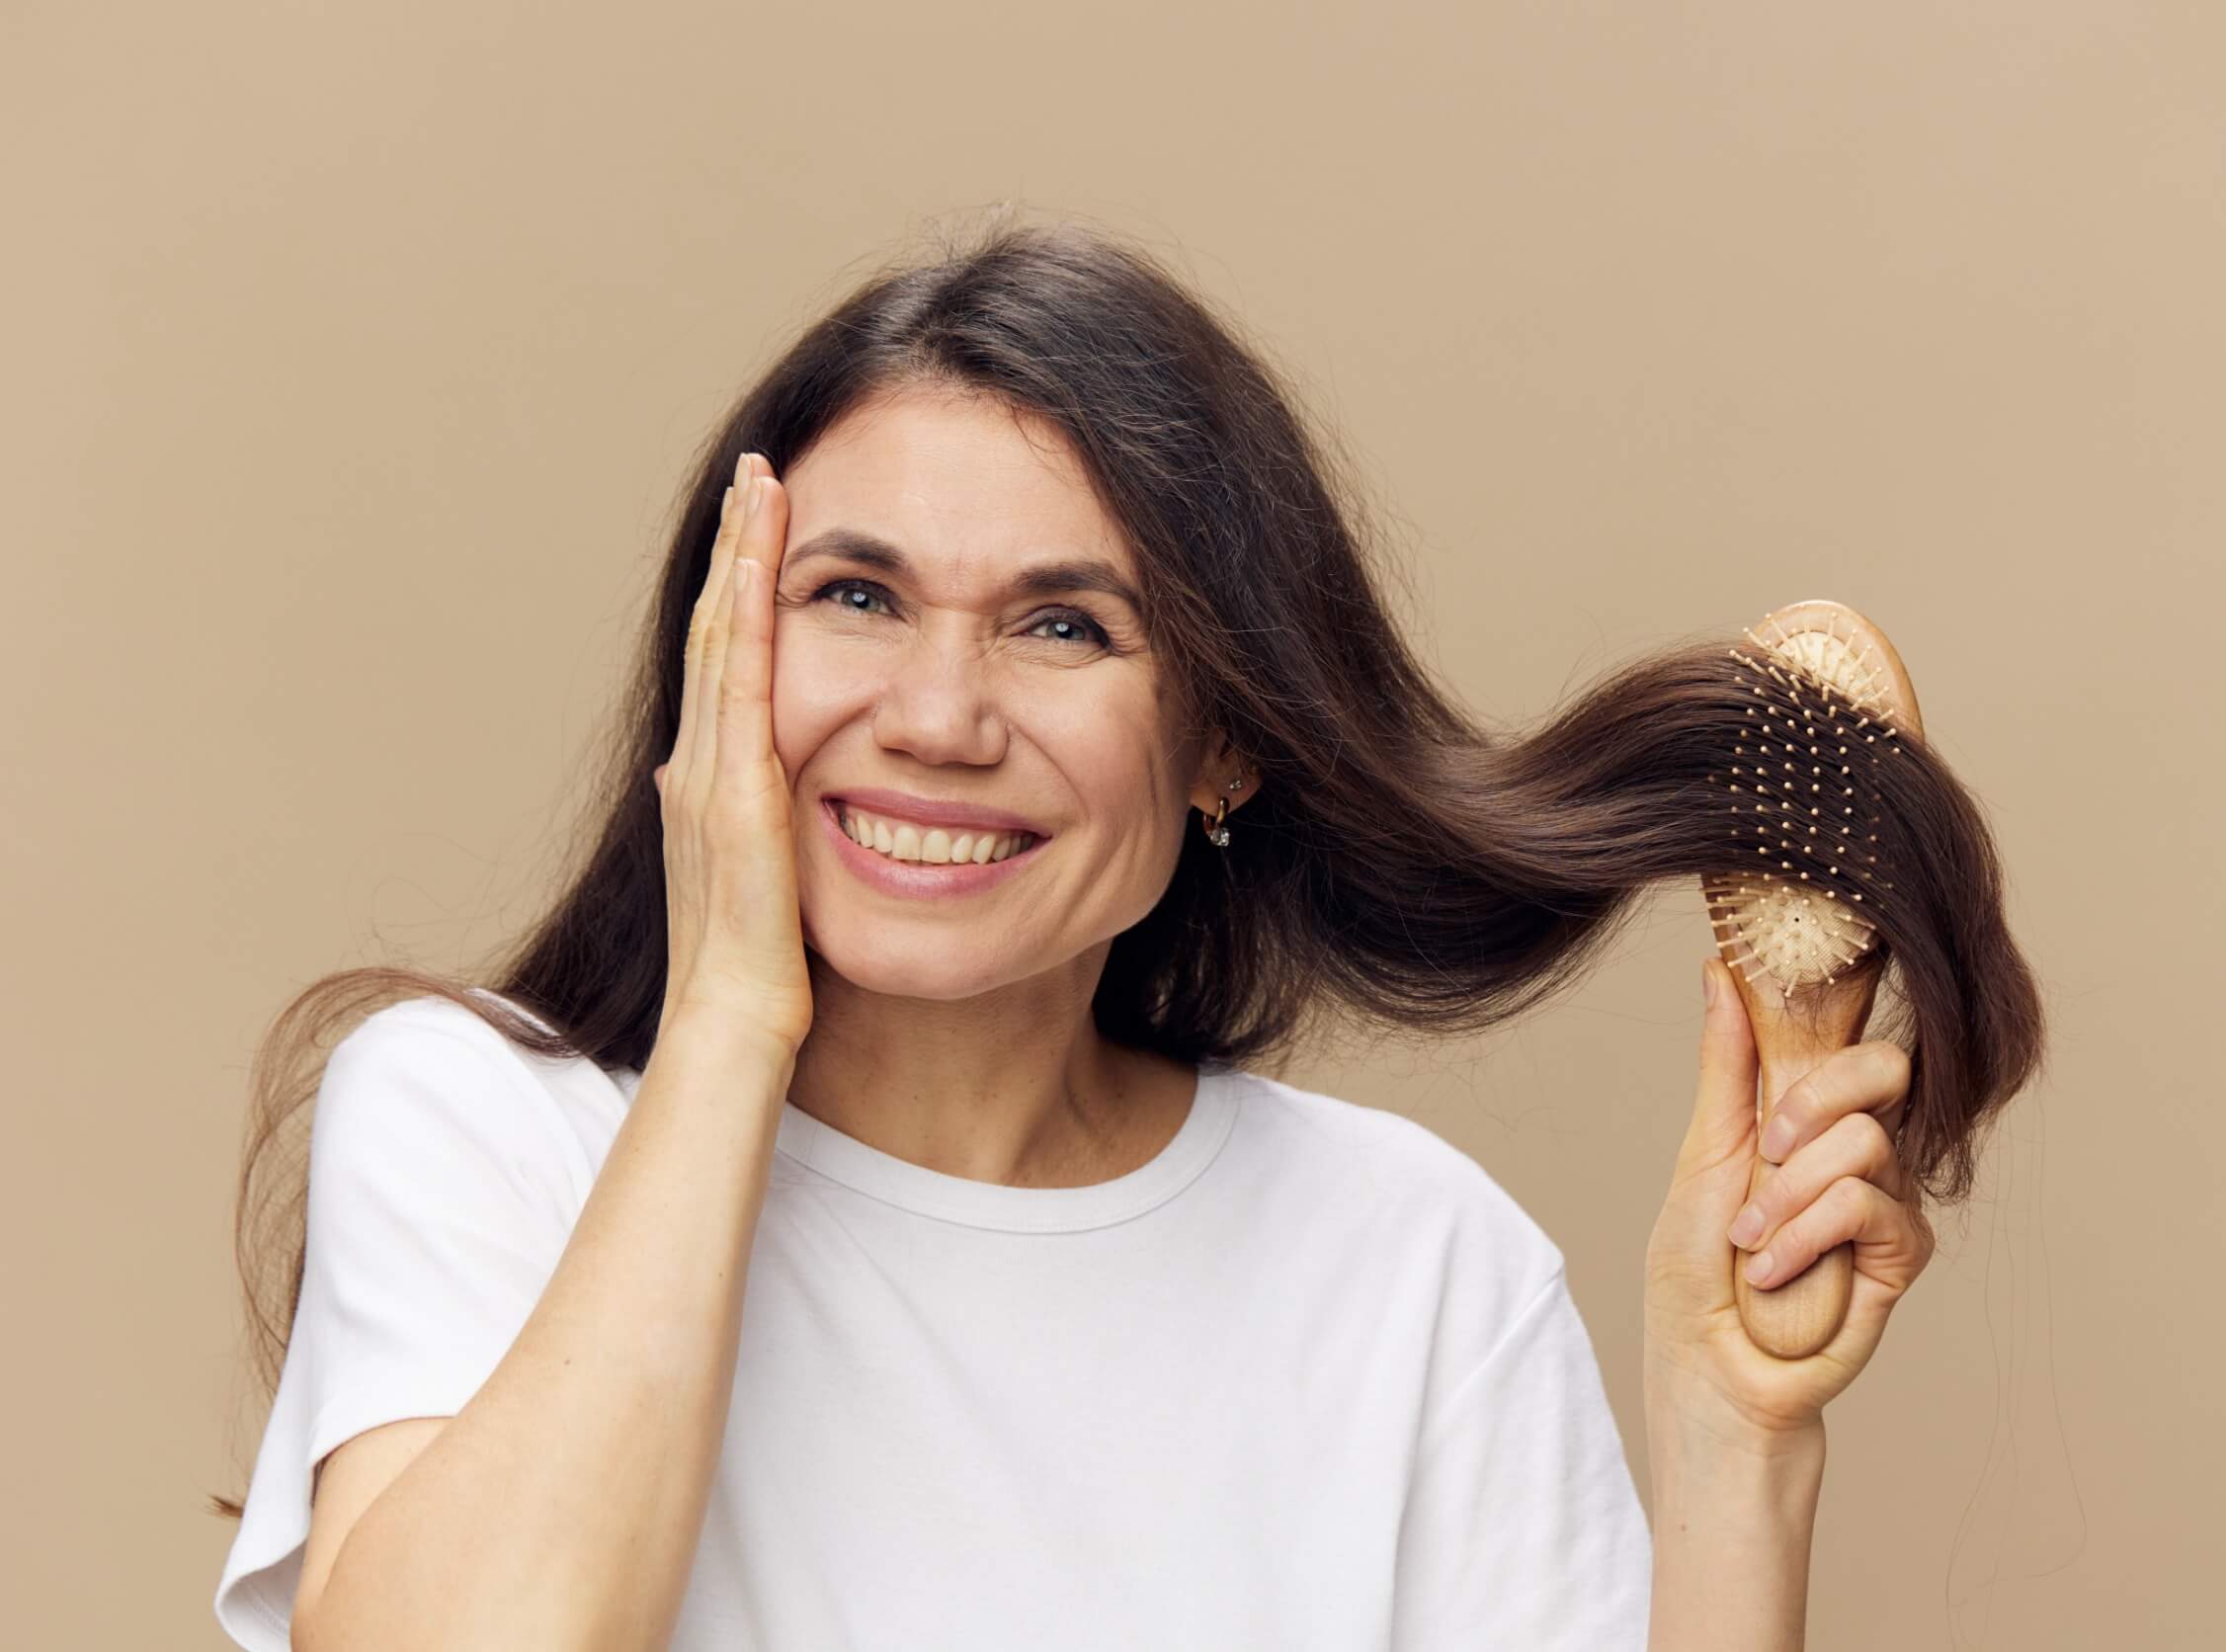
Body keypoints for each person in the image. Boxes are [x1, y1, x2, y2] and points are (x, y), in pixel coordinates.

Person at [209, 218, 1939, 1651]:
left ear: (1227, 739)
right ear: (720, 650)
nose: (940, 716)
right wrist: (734, 1017)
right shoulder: (475, 1127)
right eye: (857, 597)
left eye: (1063, 624)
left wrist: (1736, 1455)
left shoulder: (1415, 1270)